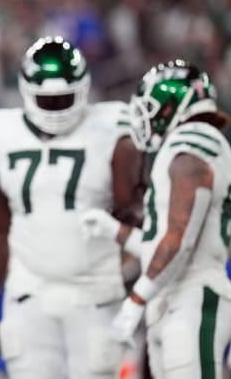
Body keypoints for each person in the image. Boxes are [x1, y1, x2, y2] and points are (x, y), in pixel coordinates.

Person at [0, 36, 144, 379]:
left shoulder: (113, 126)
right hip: (28, 293)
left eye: (64, 98)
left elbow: (134, 208)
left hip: (95, 293)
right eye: (47, 100)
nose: (56, 108)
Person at [81, 60, 231, 378]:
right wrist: (114, 230)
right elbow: (160, 242)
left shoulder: (193, 143)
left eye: (151, 107)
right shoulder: (179, 149)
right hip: (171, 298)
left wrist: (136, 300)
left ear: (175, 104)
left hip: (193, 295)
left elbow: (180, 240)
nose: (146, 117)